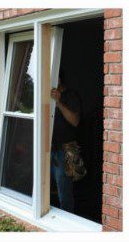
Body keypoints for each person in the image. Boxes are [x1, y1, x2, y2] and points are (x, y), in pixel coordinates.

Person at [50, 71, 81, 213]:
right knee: (47, 190)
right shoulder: (48, 94)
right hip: (48, 149)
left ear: (59, 78)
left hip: (64, 151)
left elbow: (75, 121)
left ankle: (67, 221)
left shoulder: (71, 96)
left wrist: (59, 102)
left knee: (65, 193)